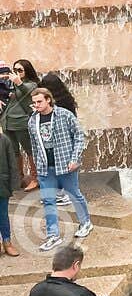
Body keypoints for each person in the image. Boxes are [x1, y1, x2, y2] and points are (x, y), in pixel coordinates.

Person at [28, 86, 91, 251]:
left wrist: (75, 158)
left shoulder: (64, 114)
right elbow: (34, 145)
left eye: (39, 101)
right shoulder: (32, 121)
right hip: (45, 168)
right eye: (34, 103)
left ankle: (85, 223)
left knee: (74, 194)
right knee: (48, 201)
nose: (37, 105)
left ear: (48, 99)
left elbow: (79, 135)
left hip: (65, 165)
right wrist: (37, 167)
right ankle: (53, 235)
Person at [3, 59, 39, 191]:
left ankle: (36, 178)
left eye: (20, 70)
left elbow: (27, 92)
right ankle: (19, 178)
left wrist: (18, 82)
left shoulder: (32, 85)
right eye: (15, 70)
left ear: (27, 71)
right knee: (13, 151)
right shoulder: (10, 84)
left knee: (30, 150)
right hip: (7, 122)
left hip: (22, 123)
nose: (17, 72)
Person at [0, 117, 20, 256]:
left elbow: (12, 164)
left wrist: (14, 184)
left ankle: (7, 242)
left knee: (3, 214)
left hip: (2, 185)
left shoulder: (4, 140)